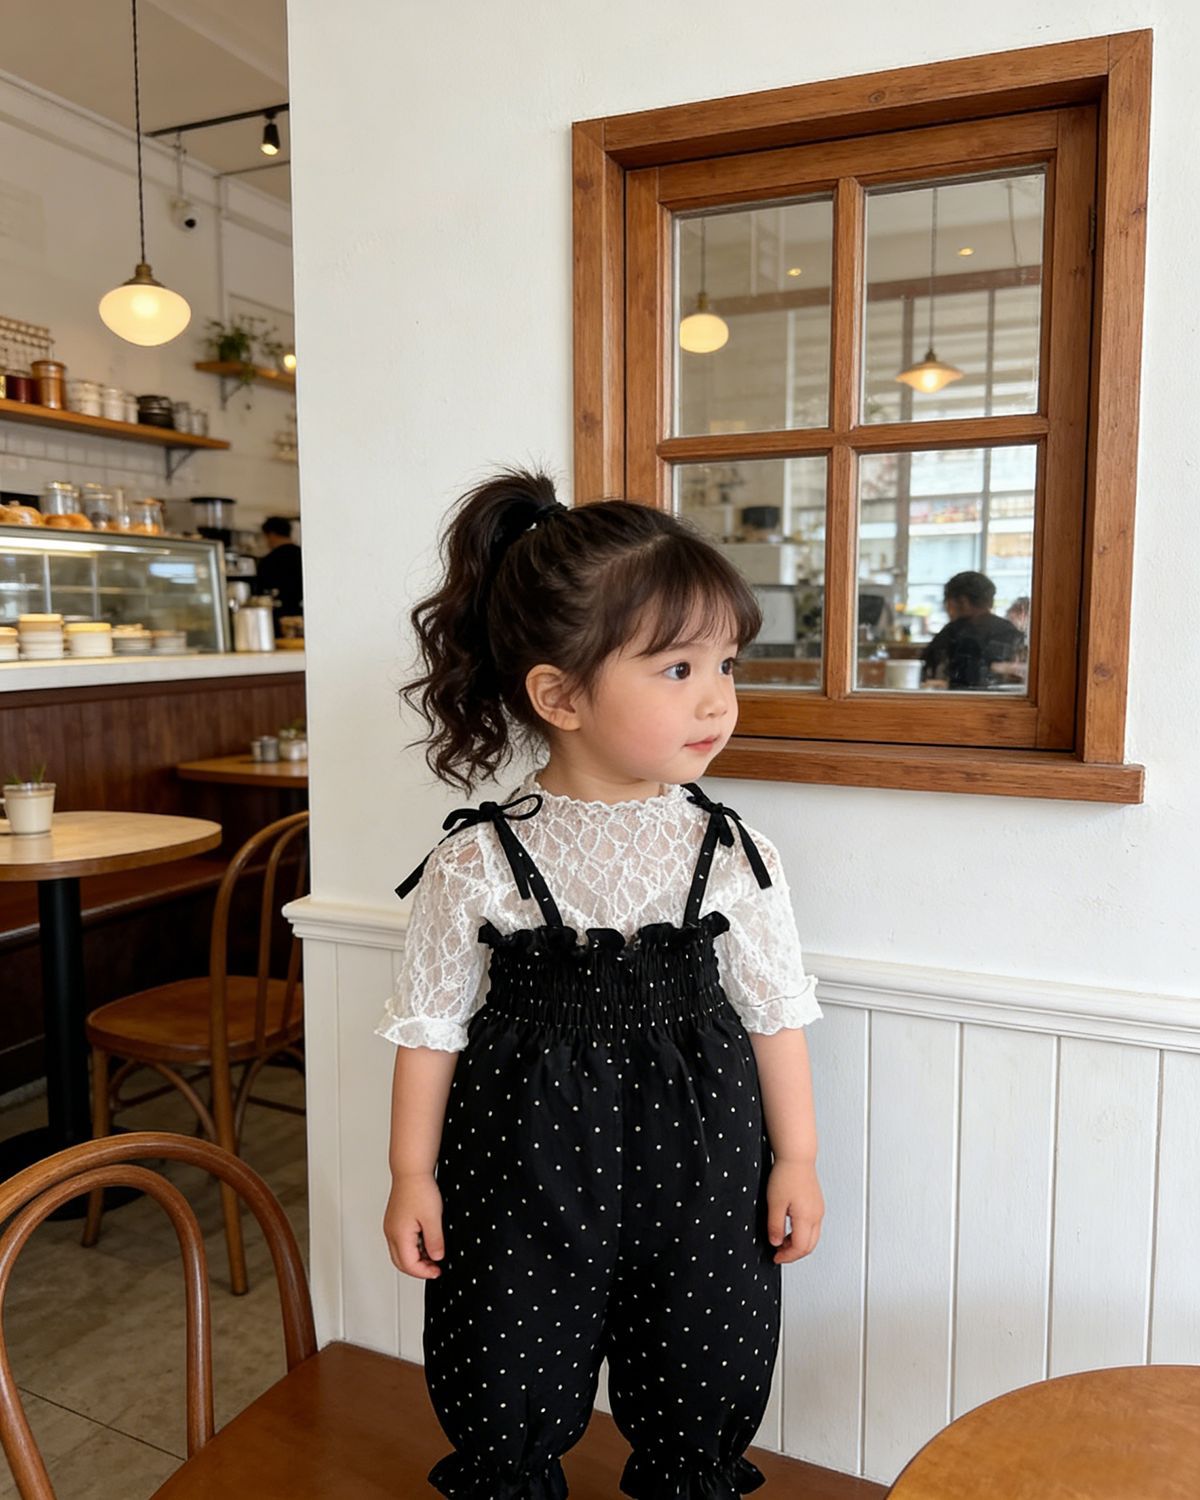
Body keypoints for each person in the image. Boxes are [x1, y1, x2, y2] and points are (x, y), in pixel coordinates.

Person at [377, 468, 824, 1500]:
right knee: (504, 1350)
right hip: (518, 1159)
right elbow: (431, 1025)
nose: (718, 698)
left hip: (706, 1159)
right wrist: (410, 1174)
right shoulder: (477, 860)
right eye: (677, 668)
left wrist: (798, 1157)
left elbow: (776, 1011)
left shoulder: (732, 851)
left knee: (705, 1349)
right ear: (560, 695)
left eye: (727, 663)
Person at [921, 569, 1025, 689]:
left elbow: (926, 671)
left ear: (963, 602)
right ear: (990, 601)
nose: (946, 609)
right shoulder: (1010, 631)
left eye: (947, 602)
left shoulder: (953, 632)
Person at [253, 515, 303, 619]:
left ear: (271, 535)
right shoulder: (304, 556)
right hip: (306, 615)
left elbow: (261, 595)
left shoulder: (268, 561)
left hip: (279, 618)